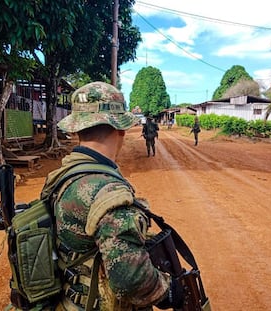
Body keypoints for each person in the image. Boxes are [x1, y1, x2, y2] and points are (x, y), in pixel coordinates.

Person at [47, 81, 183, 310]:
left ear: (78, 129)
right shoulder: (108, 193)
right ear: (120, 129)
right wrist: (167, 291)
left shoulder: (64, 175)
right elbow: (129, 279)